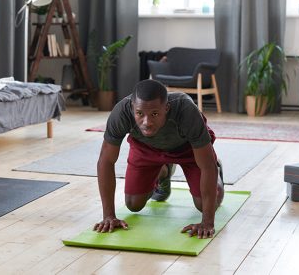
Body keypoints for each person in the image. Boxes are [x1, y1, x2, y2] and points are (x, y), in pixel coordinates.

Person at [94, 79, 224, 239]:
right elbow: (105, 161)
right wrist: (109, 216)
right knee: (133, 204)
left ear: (167, 108)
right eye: (139, 114)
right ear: (132, 108)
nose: (147, 122)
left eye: (154, 114)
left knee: (205, 205)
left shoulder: (186, 110)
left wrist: (207, 222)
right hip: (145, 148)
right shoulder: (121, 112)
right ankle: (164, 172)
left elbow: (207, 167)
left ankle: (219, 175)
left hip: (188, 149)